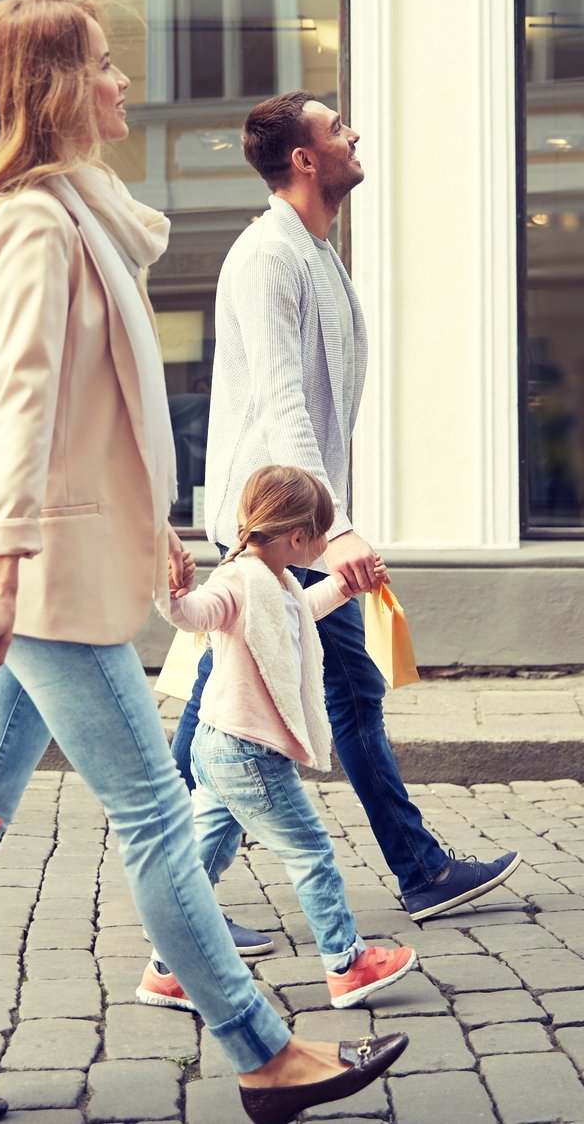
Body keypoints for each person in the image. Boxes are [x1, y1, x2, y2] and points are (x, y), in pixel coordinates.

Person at [0, 0, 407, 1124]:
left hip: (68, 567)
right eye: (103, 66)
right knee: (151, 812)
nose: (123, 83)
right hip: (45, 585)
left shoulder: (81, 216)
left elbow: (103, 421)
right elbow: (23, 413)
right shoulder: (35, 224)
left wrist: (164, 539)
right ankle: (263, 1050)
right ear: (52, 88)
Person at [175, 90, 521, 924]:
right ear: (302, 158)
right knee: (303, 700)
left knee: (232, 704)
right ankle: (413, 870)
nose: (353, 134)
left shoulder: (316, 253)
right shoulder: (268, 258)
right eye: (336, 129)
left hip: (290, 521)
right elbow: (283, 399)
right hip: (275, 524)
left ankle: (181, 892)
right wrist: (332, 531)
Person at [140, 465, 419, 1015]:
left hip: (223, 747)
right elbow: (194, 614)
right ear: (298, 538)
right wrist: (169, 589)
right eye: (322, 534)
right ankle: (347, 963)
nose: (325, 544)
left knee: (202, 860)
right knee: (310, 851)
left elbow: (296, 615)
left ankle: (167, 971)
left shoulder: (279, 580)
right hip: (245, 751)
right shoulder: (237, 579)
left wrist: (345, 586)